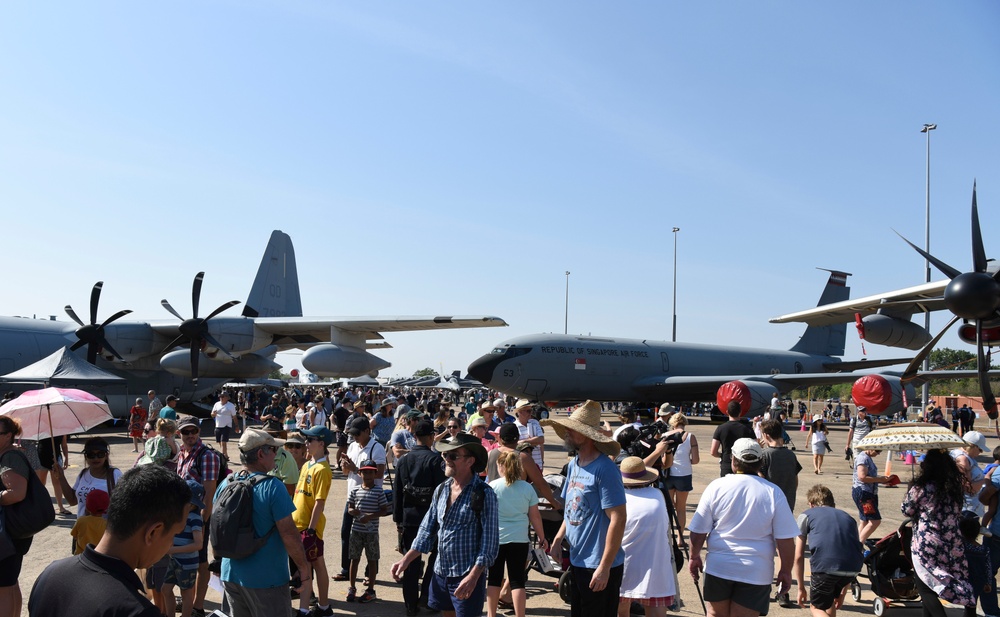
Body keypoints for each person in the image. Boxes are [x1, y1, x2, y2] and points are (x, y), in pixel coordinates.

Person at [28, 465, 192, 617]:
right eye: (174, 535)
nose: (171, 544)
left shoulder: (51, 574)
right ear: (153, 533)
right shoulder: (136, 610)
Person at [391, 432, 499, 617]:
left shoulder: (484, 493)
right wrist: (406, 559)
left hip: (466, 574)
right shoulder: (441, 489)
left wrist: (474, 577)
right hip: (441, 572)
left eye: (453, 456)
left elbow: (489, 543)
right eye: (445, 455)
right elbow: (427, 530)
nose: (447, 459)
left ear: (470, 461)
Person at [688, 438, 800, 617]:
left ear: (733, 460)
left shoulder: (716, 487)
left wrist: (694, 557)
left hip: (719, 567)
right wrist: (785, 571)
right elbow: (785, 540)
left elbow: (698, 531)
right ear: (761, 463)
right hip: (756, 570)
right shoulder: (773, 492)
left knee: (716, 614)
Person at [216, 428, 312, 617]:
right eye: (272, 449)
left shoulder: (226, 482)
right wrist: (303, 569)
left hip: (231, 574)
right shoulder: (273, 486)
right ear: (261, 454)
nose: (277, 454)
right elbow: (289, 534)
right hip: (267, 580)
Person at [544, 400, 627, 617]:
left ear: (588, 435)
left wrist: (605, 567)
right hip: (578, 560)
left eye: (573, 429)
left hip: (598, 565)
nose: (567, 433)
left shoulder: (605, 469)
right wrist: (558, 539)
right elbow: (572, 509)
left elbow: (618, 518)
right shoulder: (574, 464)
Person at [901, 448, 976, 617]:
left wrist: (910, 489)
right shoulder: (954, 488)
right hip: (952, 542)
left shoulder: (922, 487)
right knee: (950, 579)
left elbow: (906, 510)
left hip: (928, 542)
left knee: (925, 588)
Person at [393, 419, 447, 615]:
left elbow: (397, 492)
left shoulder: (404, 461)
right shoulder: (436, 461)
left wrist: (398, 520)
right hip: (431, 519)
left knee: (410, 563)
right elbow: (444, 492)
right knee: (436, 557)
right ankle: (426, 596)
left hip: (409, 518)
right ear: (431, 437)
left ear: (414, 436)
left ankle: (410, 605)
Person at [487, 450, 548, 617]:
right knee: (517, 581)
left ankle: (491, 614)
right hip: (520, 539)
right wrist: (542, 537)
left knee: (494, 579)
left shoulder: (492, 487)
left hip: (496, 540)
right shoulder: (527, 488)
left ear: (500, 466)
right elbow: (535, 516)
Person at [617, 456, 675, 617]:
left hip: (624, 563)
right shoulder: (658, 495)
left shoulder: (617, 498)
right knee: (656, 610)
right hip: (655, 564)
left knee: (620, 609)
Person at [174, 416, 221, 617]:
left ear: (199, 431)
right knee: (187, 558)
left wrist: (202, 521)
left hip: (199, 516)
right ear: (180, 434)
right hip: (184, 515)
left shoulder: (207, 456)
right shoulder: (183, 453)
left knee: (201, 561)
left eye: (194, 431)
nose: (191, 435)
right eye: (186, 432)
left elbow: (209, 493)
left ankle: (198, 606)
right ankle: (189, 600)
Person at [793, 485, 863, 617]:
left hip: (825, 567)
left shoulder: (806, 515)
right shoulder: (849, 518)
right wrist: (842, 593)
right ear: (833, 504)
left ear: (811, 504)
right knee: (828, 601)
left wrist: (801, 588)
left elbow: (798, 556)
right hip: (853, 568)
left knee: (816, 607)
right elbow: (851, 551)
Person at [335, 416, 387, 582]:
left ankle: (370, 573)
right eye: (352, 434)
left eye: (358, 433)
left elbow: (378, 473)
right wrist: (345, 466)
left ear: (367, 431)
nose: (355, 437)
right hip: (353, 496)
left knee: (371, 537)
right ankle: (345, 569)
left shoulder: (377, 448)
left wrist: (355, 468)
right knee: (346, 533)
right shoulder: (352, 446)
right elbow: (346, 473)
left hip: (370, 498)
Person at [293, 425, 335, 616]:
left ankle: (322, 607)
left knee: (316, 564)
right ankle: (310, 608)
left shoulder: (322, 469)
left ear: (321, 443)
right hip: (298, 523)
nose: (306, 444)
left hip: (310, 527)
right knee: (307, 567)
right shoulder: (307, 465)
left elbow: (319, 502)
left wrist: (310, 529)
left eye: (310, 440)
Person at [0, 416, 36, 615]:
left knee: (3, 586)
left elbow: (17, 492)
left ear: (8, 436)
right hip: (14, 530)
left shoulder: (9, 457)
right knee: (10, 582)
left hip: (9, 531)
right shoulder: (10, 454)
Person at [347, 459, 389, 603]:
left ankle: (370, 589)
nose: (368, 475)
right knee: (354, 558)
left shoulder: (378, 491)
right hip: (356, 531)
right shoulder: (355, 490)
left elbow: (384, 510)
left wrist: (369, 517)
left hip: (371, 532)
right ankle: (352, 587)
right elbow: (350, 508)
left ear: (375, 473)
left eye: (370, 472)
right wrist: (354, 512)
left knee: (372, 560)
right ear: (360, 473)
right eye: (365, 472)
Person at [162, 480, 204, 617]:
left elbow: (199, 544)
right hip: (175, 560)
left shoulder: (195, 518)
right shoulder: (179, 516)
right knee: (165, 589)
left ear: (192, 504)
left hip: (187, 564)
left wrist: (172, 550)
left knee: (186, 594)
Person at [54, 436, 124, 518]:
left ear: (106, 456)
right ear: (86, 457)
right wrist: (61, 477)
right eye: (91, 455)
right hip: (84, 528)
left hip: (105, 528)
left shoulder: (114, 474)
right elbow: (72, 501)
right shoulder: (83, 474)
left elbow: (123, 504)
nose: (96, 458)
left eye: (100, 454)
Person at [662, 412, 699, 537]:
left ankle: (668, 536)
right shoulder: (690, 437)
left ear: (673, 424)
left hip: (668, 474)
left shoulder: (665, 435)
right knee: (681, 508)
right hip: (684, 474)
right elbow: (695, 460)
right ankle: (680, 537)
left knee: (668, 508)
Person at [852, 447, 893, 545]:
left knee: (864, 521)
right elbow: (862, 477)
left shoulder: (866, 458)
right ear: (870, 448)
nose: (878, 453)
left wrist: (883, 480)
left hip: (866, 492)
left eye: (880, 451)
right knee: (875, 521)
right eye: (877, 451)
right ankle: (858, 545)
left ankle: (854, 544)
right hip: (864, 493)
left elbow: (868, 477)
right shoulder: (863, 458)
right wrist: (880, 480)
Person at [759, 418, 801, 512]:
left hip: (769, 504)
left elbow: (760, 479)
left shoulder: (764, 455)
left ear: (766, 435)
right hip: (787, 503)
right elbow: (795, 480)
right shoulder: (791, 455)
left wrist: (757, 450)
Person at [710, 401, 755, 477]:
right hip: (743, 464)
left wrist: (722, 455)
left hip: (727, 464)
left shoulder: (721, 428)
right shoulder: (747, 429)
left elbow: (713, 452)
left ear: (727, 412)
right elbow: (755, 446)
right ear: (740, 412)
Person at [960, 515, 992, 617]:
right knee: (972, 605)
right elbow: (988, 568)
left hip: (964, 581)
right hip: (978, 582)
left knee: (968, 607)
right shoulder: (984, 550)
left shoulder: (961, 548)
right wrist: (988, 583)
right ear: (978, 532)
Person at [71, 488, 111, 555]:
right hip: (98, 557)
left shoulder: (81, 521)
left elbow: (75, 536)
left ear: (87, 506)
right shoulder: (107, 525)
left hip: (81, 555)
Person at [512, 399, 545, 469]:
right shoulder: (514, 427)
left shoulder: (535, 422)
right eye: (528, 411)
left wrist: (524, 442)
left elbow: (541, 440)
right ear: (519, 412)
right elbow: (515, 446)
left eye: (531, 410)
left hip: (538, 464)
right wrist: (534, 441)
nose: (530, 413)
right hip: (522, 467)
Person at [269, 431, 301, 496]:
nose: (293, 449)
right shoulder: (266, 456)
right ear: (285, 447)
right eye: (290, 445)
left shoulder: (287, 458)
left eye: (297, 446)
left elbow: (290, 490)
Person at [211, 391, 238, 458]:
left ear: (227, 398)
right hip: (218, 425)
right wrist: (213, 414)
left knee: (223, 441)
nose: (221, 398)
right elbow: (212, 414)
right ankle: (225, 454)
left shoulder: (231, 406)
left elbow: (234, 416)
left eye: (223, 397)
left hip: (227, 425)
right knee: (219, 441)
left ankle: (223, 456)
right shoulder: (216, 404)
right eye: (220, 396)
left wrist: (237, 426)